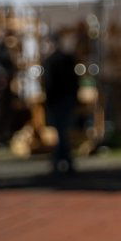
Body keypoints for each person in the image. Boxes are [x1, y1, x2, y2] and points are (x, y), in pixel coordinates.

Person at [42, 32, 80, 175]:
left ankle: (60, 160)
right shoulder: (68, 59)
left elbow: (49, 84)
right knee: (63, 131)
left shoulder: (50, 61)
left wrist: (49, 100)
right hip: (67, 99)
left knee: (60, 132)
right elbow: (75, 81)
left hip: (57, 100)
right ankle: (63, 160)